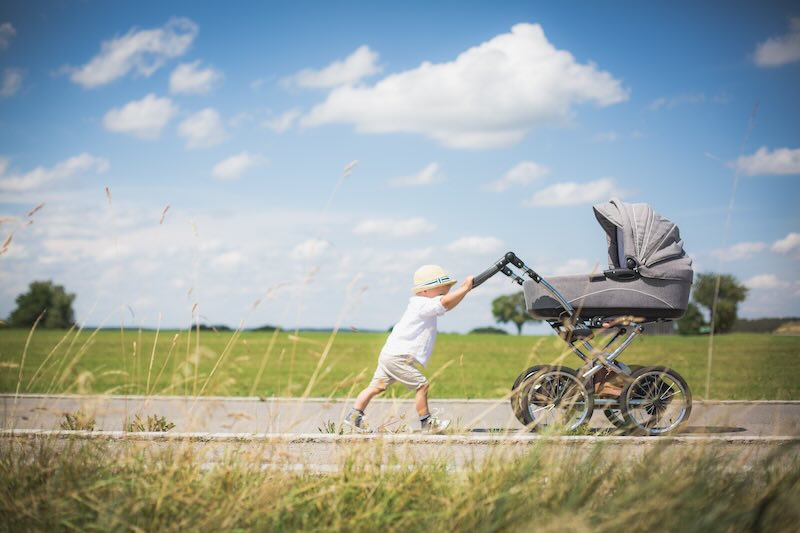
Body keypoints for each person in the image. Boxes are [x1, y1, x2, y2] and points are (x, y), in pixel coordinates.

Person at [344, 265, 474, 434]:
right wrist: (464, 288)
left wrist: (464, 291)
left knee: (376, 387)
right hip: (398, 357)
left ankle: (354, 416)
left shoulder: (423, 303)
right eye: (441, 291)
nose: (444, 295)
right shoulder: (422, 304)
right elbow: (445, 303)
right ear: (425, 291)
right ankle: (427, 423)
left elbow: (446, 305)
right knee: (422, 385)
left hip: (391, 355)